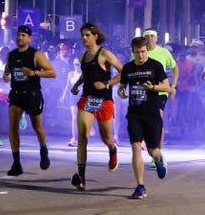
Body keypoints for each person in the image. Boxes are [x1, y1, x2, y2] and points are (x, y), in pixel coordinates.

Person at [69, 22, 123, 191]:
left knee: (106, 138)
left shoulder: (104, 54)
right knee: (82, 136)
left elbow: (123, 72)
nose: (84, 38)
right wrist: (77, 84)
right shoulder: (82, 57)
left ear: (95, 36)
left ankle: (113, 149)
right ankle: (82, 178)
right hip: (87, 99)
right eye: (82, 35)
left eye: (87, 35)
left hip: (104, 101)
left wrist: (107, 84)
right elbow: (86, 74)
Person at [117, 36, 169, 199]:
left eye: (143, 52)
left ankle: (158, 159)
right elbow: (122, 85)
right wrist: (121, 91)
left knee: (153, 150)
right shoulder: (127, 68)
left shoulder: (155, 66)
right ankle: (140, 186)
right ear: (132, 51)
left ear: (147, 50)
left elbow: (166, 87)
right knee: (136, 147)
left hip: (152, 114)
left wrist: (153, 87)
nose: (141, 55)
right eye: (138, 52)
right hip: (134, 114)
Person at [2, 24, 55, 177]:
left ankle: (43, 150)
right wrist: (6, 76)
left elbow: (52, 72)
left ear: (29, 38)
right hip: (16, 94)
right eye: (18, 35)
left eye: (23, 35)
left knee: (37, 126)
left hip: (32, 94)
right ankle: (16, 163)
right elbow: (7, 71)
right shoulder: (11, 55)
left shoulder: (36, 54)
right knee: (13, 128)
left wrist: (34, 73)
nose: (20, 37)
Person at [140, 29, 177, 163]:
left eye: (152, 36)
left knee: (157, 119)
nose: (149, 38)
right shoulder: (139, 52)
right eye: (147, 36)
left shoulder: (164, 52)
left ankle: (159, 154)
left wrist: (173, 86)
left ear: (156, 38)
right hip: (143, 92)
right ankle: (149, 144)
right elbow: (131, 69)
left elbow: (175, 68)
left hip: (160, 91)